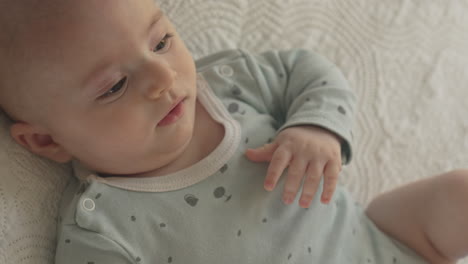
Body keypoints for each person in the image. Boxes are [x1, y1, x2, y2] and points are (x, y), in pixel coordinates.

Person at [0, 0, 467, 263]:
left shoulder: (226, 84)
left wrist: (315, 126)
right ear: (46, 141)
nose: (163, 77)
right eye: (116, 86)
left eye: (161, 41)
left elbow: (308, 71)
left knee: (459, 194)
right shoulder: (102, 230)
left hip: (390, 241)